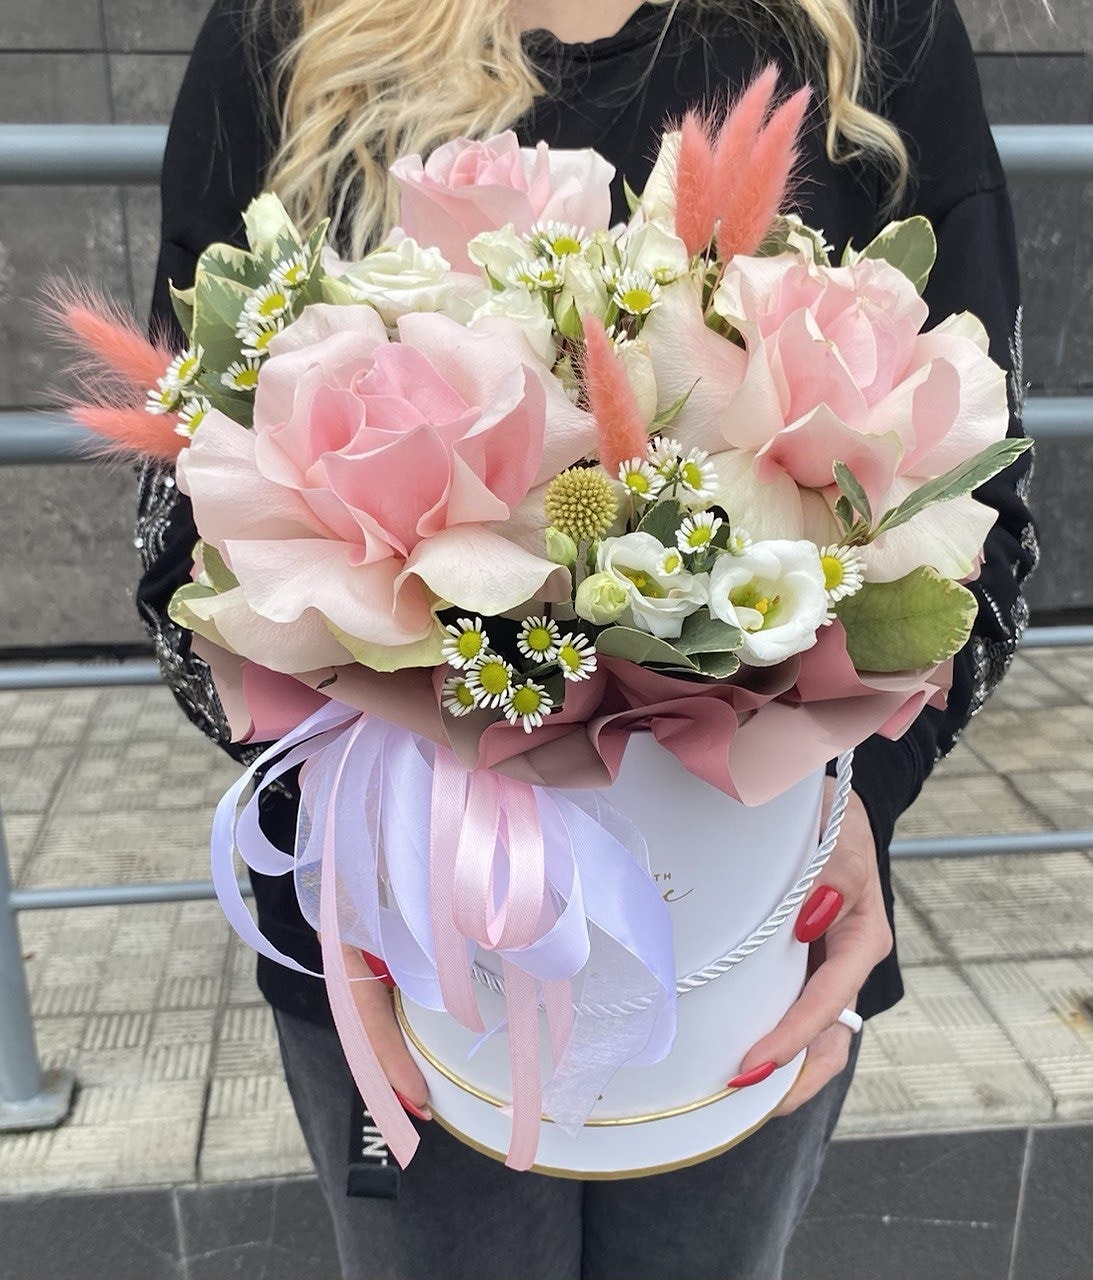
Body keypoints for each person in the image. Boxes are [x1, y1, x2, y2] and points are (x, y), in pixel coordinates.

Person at [136, 1, 1037, 1276]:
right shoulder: (283, 31)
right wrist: (356, 834)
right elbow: (188, 526)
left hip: (746, 921)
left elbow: (981, 512)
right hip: (409, 946)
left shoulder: (873, 29)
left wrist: (853, 804)